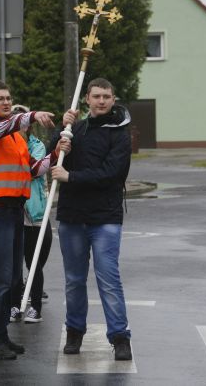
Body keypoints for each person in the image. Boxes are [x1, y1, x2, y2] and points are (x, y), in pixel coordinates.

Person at [0, 80, 68, 360]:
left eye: (9, 98)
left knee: (10, 279)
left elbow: (32, 170)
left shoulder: (14, 138)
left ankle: (0, 336)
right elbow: (1, 127)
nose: (6, 102)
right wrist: (31, 116)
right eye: (0, 99)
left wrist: (57, 154)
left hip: (13, 211)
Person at [50, 78, 133, 361]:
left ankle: (120, 337)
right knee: (74, 280)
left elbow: (112, 174)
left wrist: (71, 177)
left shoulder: (120, 132)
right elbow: (55, 159)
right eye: (96, 96)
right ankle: (74, 331)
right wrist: (61, 133)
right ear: (86, 99)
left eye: (106, 97)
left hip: (105, 217)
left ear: (113, 99)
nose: (101, 101)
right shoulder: (77, 128)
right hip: (73, 215)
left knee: (108, 278)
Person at [9, 104, 52, 324]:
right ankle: (15, 304)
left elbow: (33, 169)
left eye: (22, 121)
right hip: (13, 212)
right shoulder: (4, 145)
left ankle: (35, 305)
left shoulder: (37, 146)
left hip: (35, 215)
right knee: (15, 263)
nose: (19, 125)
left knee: (35, 263)